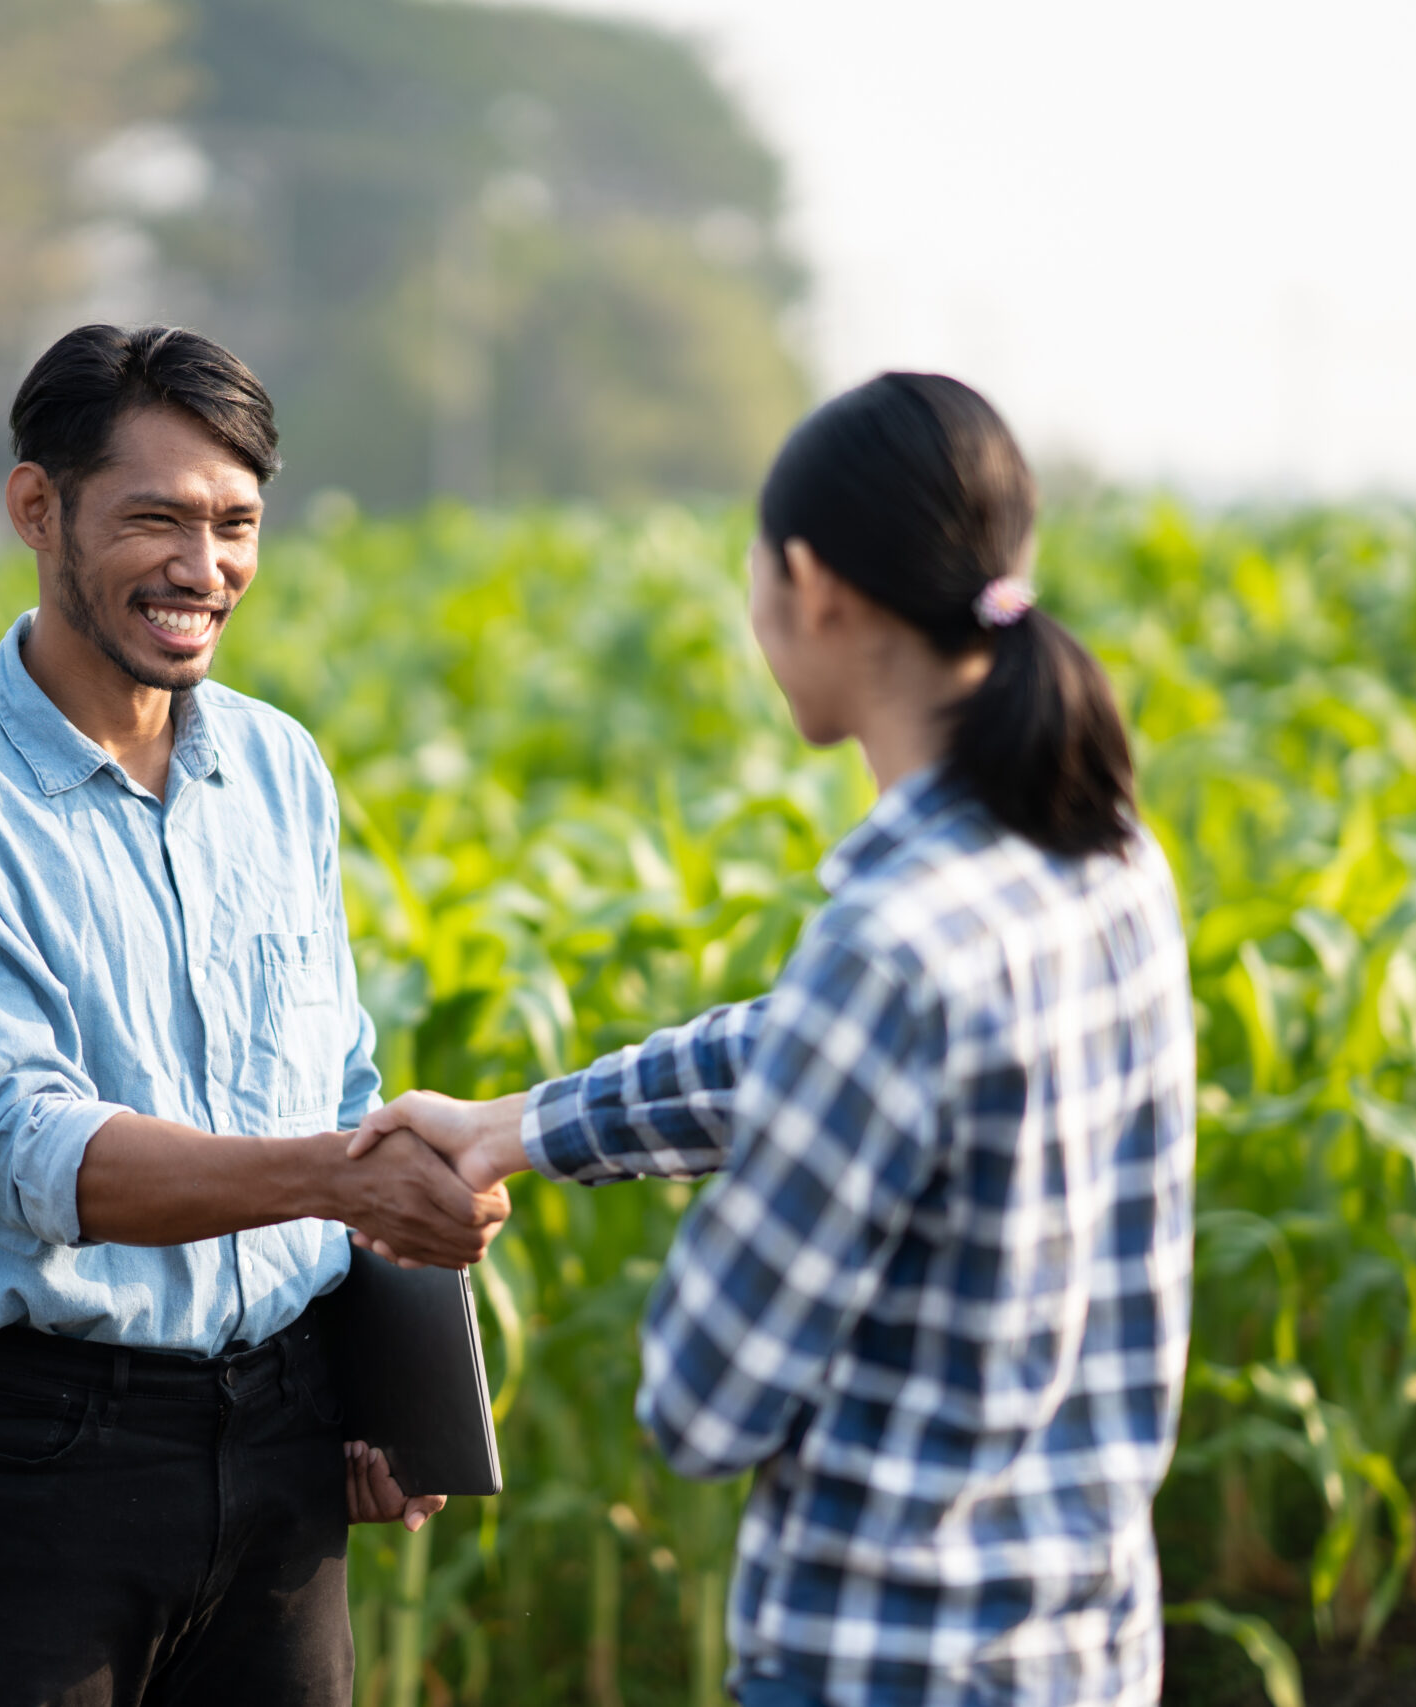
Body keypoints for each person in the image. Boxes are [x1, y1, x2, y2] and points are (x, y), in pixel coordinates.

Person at [350, 374, 1197, 1707]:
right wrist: (515, 1128)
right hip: (1082, 1654)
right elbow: (812, 1052)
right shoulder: (1106, 857)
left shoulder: (891, 945)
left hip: (888, 1664)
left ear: (812, 585)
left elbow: (704, 1399)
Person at [0, 323, 508, 1707]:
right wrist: (338, 1176)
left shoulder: (280, 771)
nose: (206, 568)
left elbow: (336, 1079)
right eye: (158, 520)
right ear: (35, 508)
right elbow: (29, 1157)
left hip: (289, 1443)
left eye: (238, 523)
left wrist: (380, 1383)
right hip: (43, 1457)